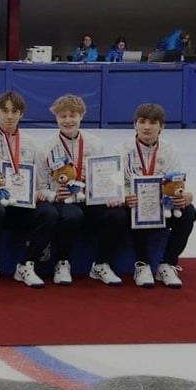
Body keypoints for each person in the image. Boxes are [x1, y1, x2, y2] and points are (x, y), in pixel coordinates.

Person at [0, 90, 56, 288]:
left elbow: (41, 181)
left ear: (21, 114)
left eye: (14, 111)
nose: (9, 116)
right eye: (4, 111)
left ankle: (26, 264)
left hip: (23, 206)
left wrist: (40, 192)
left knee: (49, 213)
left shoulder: (32, 145)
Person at [36, 94, 125, 286]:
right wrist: (54, 195)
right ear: (56, 118)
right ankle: (63, 262)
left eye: (73, 115)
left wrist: (111, 193)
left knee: (118, 214)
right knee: (72, 215)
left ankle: (101, 264)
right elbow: (40, 186)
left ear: (81, 116)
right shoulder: (46, 148)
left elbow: (108, 175)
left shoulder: (96, 144)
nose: (68, 120)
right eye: (63, 116)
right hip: (64, 202)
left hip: (91, 200)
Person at [120, 103, 195, 288]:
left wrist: (185, 195)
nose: (147, 127)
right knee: (133, 210)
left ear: (162, 126)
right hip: (134, 203)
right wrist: (125, 197)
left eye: (153, 123)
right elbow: (115, 182)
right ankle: (142, 264)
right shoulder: (121, 149)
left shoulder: (170, 151)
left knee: (188, 212)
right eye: (142, 121)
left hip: (162, 203)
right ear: (134, 124)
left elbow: (176, 181)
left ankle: (167, 263)